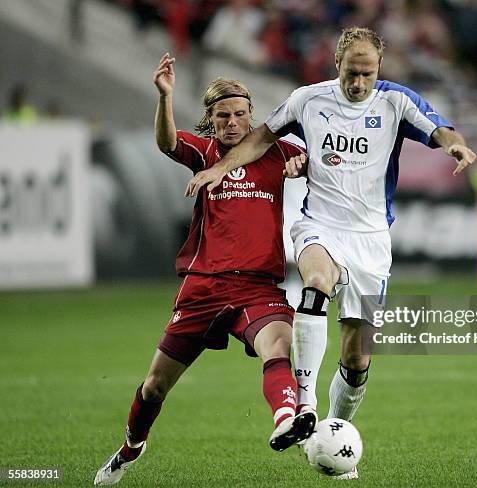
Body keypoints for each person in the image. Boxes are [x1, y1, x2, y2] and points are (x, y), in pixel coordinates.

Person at [184, 27, 477, 479]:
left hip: (371, 240)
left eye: (367, 73)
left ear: (378, 69)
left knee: (357, 361)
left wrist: (454, 143)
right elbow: (261, 137)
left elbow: (438, 127)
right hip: (319, 224)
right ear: (336, 64)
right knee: (316, 283)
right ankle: (305, 402)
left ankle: (331, 434)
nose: (358, 83)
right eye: (350, 73)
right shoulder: (308, 100)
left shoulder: (395, 101)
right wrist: (218, 169)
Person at [94, 53, 315, 486]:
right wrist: (165, 97)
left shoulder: (276, 150)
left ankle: (286, 418)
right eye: (222, 116)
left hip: (258, 287)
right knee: (155, 386)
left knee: (279, 346)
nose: (232, 123)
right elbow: (165, 143)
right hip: (204, 287)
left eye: (239, 114)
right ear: (210, 120)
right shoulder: (205, 152)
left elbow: (310, 160)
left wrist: (300, 164)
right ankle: (130, 449)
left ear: (252, 114)